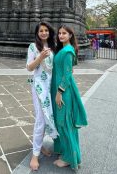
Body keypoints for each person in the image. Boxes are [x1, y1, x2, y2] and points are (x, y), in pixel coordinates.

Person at [51, 25, 88, 169]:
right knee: (61, 122)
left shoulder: (67, 51)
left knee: (65, 122)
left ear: (70, 35)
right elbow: (70, 69)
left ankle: (69, 158)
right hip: (59, 88)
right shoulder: (63, 50)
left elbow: (67, 76)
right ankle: (66, 151)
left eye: (64, 33)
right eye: (59, 33)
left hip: (63, 91)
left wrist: (59, 93)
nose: (61, 35)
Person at [26, 22, 59, 171]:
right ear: (37, 33)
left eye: (46, 30)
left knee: (47, 117)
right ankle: (35, 155)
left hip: (50, 87)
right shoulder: (33, 47)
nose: (44, 33)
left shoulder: (53, 48)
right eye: (41, 31)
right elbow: (29, 68)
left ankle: (39, 147)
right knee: (40, 119)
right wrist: (39, 57)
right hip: (39, 87)